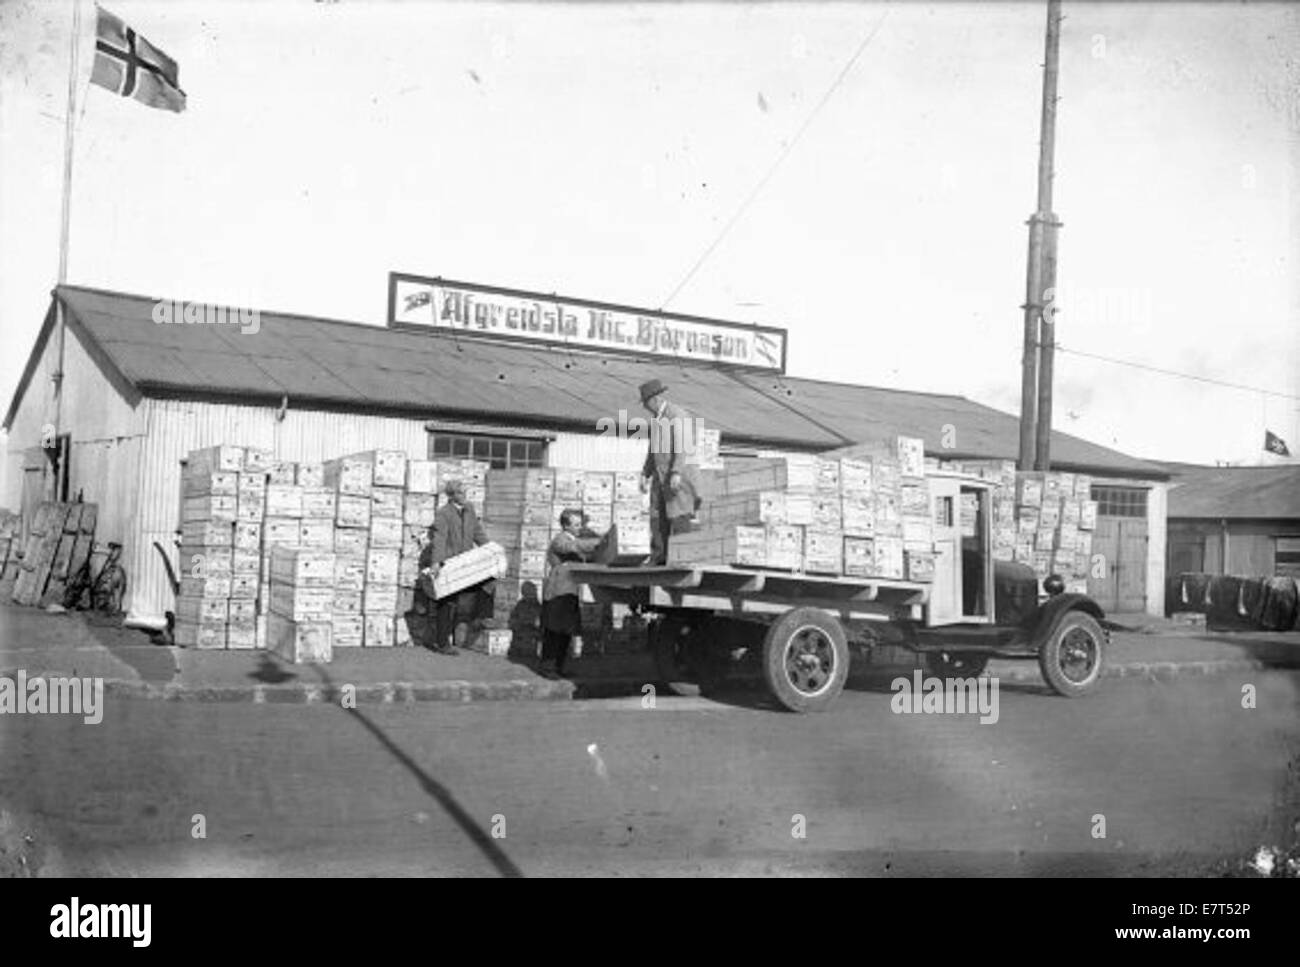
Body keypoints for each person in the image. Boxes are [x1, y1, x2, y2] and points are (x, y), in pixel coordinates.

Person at [419, 478, 496, 654]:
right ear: (452, 496)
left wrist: (491, 550)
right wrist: (436, 563)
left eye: (465, 492)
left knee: (490, 579)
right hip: (449, 563)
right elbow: (440, 539)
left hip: (466, 561)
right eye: (461, 493)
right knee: (447, 603)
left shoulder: (469, 510)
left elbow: (478, 532)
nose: (464, 496)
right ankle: (442, 643)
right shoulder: (443, 513)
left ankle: (481, 616)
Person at [639, 378, 703, 565]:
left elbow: (682, 446)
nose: (644, 407)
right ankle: (660, 557)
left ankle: (682, 558)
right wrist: (645, 473)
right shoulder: (657, 420)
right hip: (661, 476)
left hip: (678, 476)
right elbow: (653, 450)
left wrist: (676, 472)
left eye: (645, 403)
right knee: (657, 517)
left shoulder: (676, 415)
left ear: (654, 399)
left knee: (679, 516)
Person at [539, 508, 604, 678]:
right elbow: (572, 547)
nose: (579, 527)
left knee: (566, 632)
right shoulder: (560, 540)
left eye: (580, 524)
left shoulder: (574, 539)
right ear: (565, 526)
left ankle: (559, 667)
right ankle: (548, 668)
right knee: (554, 632)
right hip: (557, 592)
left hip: (569, 591)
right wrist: (597, 542)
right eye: (575, 524)